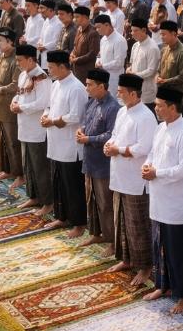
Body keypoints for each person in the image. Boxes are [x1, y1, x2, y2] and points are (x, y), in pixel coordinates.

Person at [142, 87, 183, 315]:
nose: (156, 108)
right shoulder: (160, 129)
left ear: (173, 107)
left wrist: (157, 173)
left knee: (180, 251)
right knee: (160, 246)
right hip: (159, 199)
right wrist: (147, 166)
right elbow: (151, 154)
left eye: (159, 105)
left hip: (177, 204)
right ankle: (163, 285)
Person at [104, 73, 158, 284]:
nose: (118, 94)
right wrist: (109, 144)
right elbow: (115, 134)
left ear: (133, 93)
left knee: (138, 224)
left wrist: (118, 149)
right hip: (119, 175)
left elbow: (144, 148)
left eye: (121, 92)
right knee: (122, 221)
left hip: (136, 180)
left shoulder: (145, 116)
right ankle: (126, 259)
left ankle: (144, 267)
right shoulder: (122, 112)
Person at [42, 49, 88, 233]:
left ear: (62, 67)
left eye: (52, 67)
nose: (49, 70)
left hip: (70, 145)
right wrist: (45, 116)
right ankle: (62, 216)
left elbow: (77, 115)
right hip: (55, 141)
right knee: (59, 182)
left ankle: (79, 223)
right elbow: (49, 106)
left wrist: (52, 121)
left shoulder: (76, 87)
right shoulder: (56, 84)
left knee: (73, 185)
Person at [75, 68, 120, 252]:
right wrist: (81, 131)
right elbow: (85, 122)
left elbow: (111, 134)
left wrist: (89, 139)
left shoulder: (113, 107)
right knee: (91, 199)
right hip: (89, 159)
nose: (87, 88)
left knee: (105, 203)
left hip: (103, 163)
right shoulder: (91, 103)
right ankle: (96, 232)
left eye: (90, 85)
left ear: (102, 86)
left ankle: (111, 240)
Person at [11, 44, 51, 215]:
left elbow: (42, 103)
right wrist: (14, 102)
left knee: (40, 166)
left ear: (30, 59)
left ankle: (48, 201)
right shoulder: (22, 76)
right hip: (24, 126)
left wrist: (22, 107)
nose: (18, 63)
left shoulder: (42, 78)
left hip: (36, 128)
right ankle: (33, 196)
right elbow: (19, 94)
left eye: (20, 60)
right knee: (28, 164)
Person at [0, 28, 22, 183]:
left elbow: (15, 85)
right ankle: (6, 167)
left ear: (10, 42)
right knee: (2, 139)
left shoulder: (17, 60)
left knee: (13, 141)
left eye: (1, 40)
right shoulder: (2, 57)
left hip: (9, 107)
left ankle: (17, 172)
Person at [154, 20, 183, 119]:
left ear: (174, 34)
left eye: (164, 34)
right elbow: (160, 69)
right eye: (161, 34)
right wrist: (158, 76)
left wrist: (165, 81)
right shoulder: (164, 49)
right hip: (165, 98)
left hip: (179, 101)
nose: (161, 37)